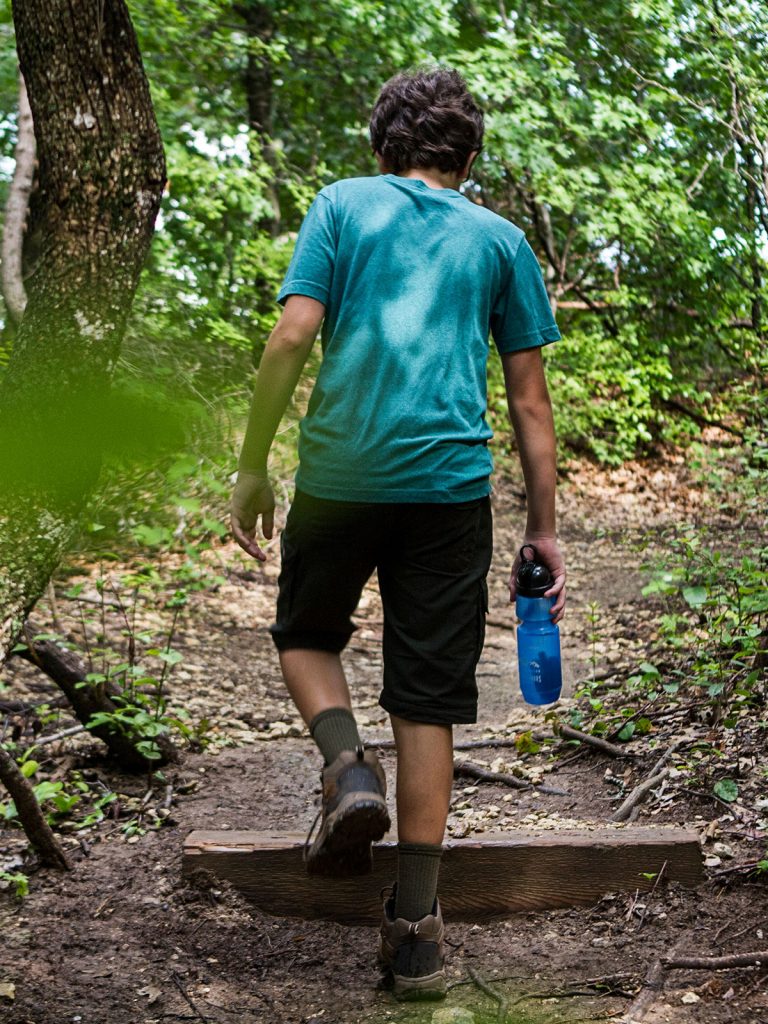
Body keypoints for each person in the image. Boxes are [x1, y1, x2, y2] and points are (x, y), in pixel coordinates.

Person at [230, 65, 566, 1002]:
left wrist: (253, 461)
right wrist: (543, 530)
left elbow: (293, 336)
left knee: (305, 634)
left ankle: (345, 768)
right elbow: (530, 403)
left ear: (383, 144)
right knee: (428, 698)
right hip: (450, 490)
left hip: (340, 474)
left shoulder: (342, 207)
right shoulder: (500, 241)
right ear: (469, 153)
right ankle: (417, 931)